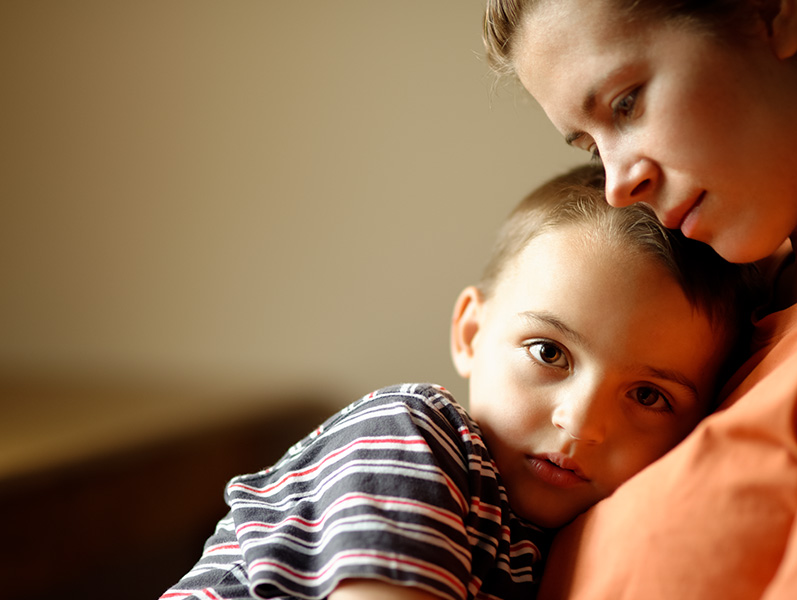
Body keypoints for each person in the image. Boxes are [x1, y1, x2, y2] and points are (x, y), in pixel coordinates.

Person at [160, 164, 760, 600]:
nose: (580, 422)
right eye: (549, 351)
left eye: (648, 396)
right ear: (471, 333)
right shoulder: (411, 436)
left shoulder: (554, 538)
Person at [482, 0, 797, 598]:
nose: (619, 187)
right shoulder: (711, 317)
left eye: (626, 104)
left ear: (770, 12)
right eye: (591, 148)